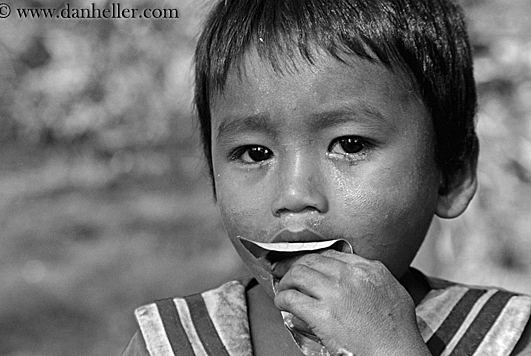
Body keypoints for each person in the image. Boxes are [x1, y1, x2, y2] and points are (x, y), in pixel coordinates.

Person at [122, 0, 531, 355]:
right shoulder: (174, 343)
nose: (295, 195)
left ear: (452, 173)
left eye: (350, 145)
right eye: (255, 153)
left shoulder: (504, 336)